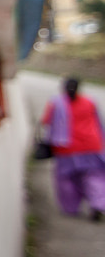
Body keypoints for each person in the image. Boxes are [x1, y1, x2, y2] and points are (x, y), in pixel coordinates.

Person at [41, 77, 105, 220]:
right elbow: (99, 123)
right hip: (91, 146)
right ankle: (98, 204)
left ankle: (70, 208)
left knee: (66, 180)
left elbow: (46, 122)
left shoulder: (57, 103)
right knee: (94, 177)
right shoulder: (90, 102)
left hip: (66, 148)